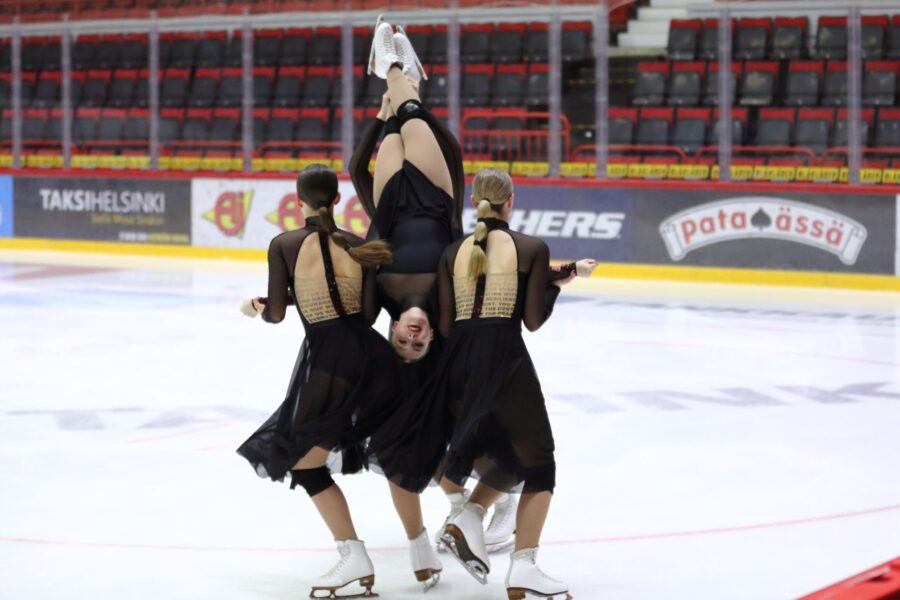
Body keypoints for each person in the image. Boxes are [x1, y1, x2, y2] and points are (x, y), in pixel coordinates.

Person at [236, 164, 396, 599]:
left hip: (329, 360)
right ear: (337, 199)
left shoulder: (284, 244)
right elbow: (366, 315)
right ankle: (465, 509)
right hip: (372, 355)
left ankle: (354, 554)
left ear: (297, 198)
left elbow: (276, 314)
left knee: (304, 461)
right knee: (400, 441)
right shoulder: (359, 245)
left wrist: (257, 306)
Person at [437, 168, 594, 598]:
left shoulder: (452, 253)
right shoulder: (530, 248)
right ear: (512, 200)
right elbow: (532, 320)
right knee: (540, 460)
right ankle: (524, 566)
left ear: (474, 202)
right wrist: (556, 287)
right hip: (504, 360)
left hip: (459, 365)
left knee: (508, 455)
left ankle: (468, 516)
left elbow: (448, 324)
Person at [351, 16, 464, 364]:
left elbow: (356, 170)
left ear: (394, 327)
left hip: (391, 203)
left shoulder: (378, 301)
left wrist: (379, 118)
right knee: (412, 113)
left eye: (401, 341)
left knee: (399, 119)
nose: (411, 339)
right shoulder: (450, 304)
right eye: (419, 345)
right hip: (435, 198)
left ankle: (394, 68)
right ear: (433, 335)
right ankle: (393, 66)